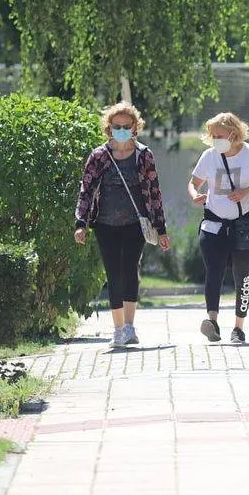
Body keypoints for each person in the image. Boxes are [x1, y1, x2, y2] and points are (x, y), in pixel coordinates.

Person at [74, 102, 170, 348]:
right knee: (113, 273)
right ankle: (117, 329)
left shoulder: (143, 155)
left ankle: (129, 326)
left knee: (129, 271)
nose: (121, 130)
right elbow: (86, 190)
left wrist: (161, 229)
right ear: (109, 128)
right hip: (105, 224)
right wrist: (81, 223)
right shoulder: (99, 156)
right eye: (117, 126)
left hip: (135, 224)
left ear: (135, 127)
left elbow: (155, 192)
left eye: (126, 126)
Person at [189, 112, 249, 345]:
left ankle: (238, 328)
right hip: (214, 224)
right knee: (213, 272)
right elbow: (193, 182)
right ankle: (212, 321)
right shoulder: (209, 156)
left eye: (219, 135)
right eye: (212, 135)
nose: (215, 139)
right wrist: (195, 194)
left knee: (242, 276)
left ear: (234, 133)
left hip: (244, 225)